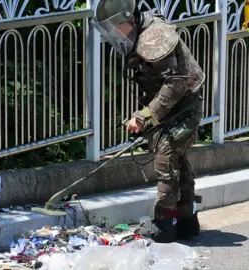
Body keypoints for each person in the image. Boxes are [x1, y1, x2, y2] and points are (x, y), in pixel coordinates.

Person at [93, 0, 205, 243]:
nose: (115, 33)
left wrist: (145, 116)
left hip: (183, 105)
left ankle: (163, 224)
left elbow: (176, 82)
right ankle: (187, 221)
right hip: (175, 105)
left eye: (117, 27)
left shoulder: (153, 36)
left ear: (130, 20)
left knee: (166, 161)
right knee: (178, 161)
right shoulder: (140, 32)